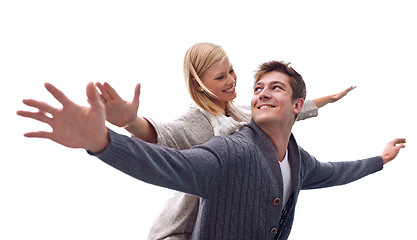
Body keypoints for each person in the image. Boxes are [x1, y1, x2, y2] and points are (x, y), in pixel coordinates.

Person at [16, 60, 405, 240]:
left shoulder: (300, 164)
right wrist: (102, 141)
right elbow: (170, 160)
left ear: (297, 106)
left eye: (276, 88)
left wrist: (381, 161)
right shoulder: (229, 148)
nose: (261, 93)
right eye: (259, 88)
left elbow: (338, 171)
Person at [94, 42, 355, 239]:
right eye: (220, 77)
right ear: (199, 85)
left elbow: (284, 111)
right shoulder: (199, 120)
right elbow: (164, 134)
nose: (231, 81)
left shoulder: (238, 110)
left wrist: (327, 100)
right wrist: (130, 121)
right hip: (184, 230)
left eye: (231, 71)